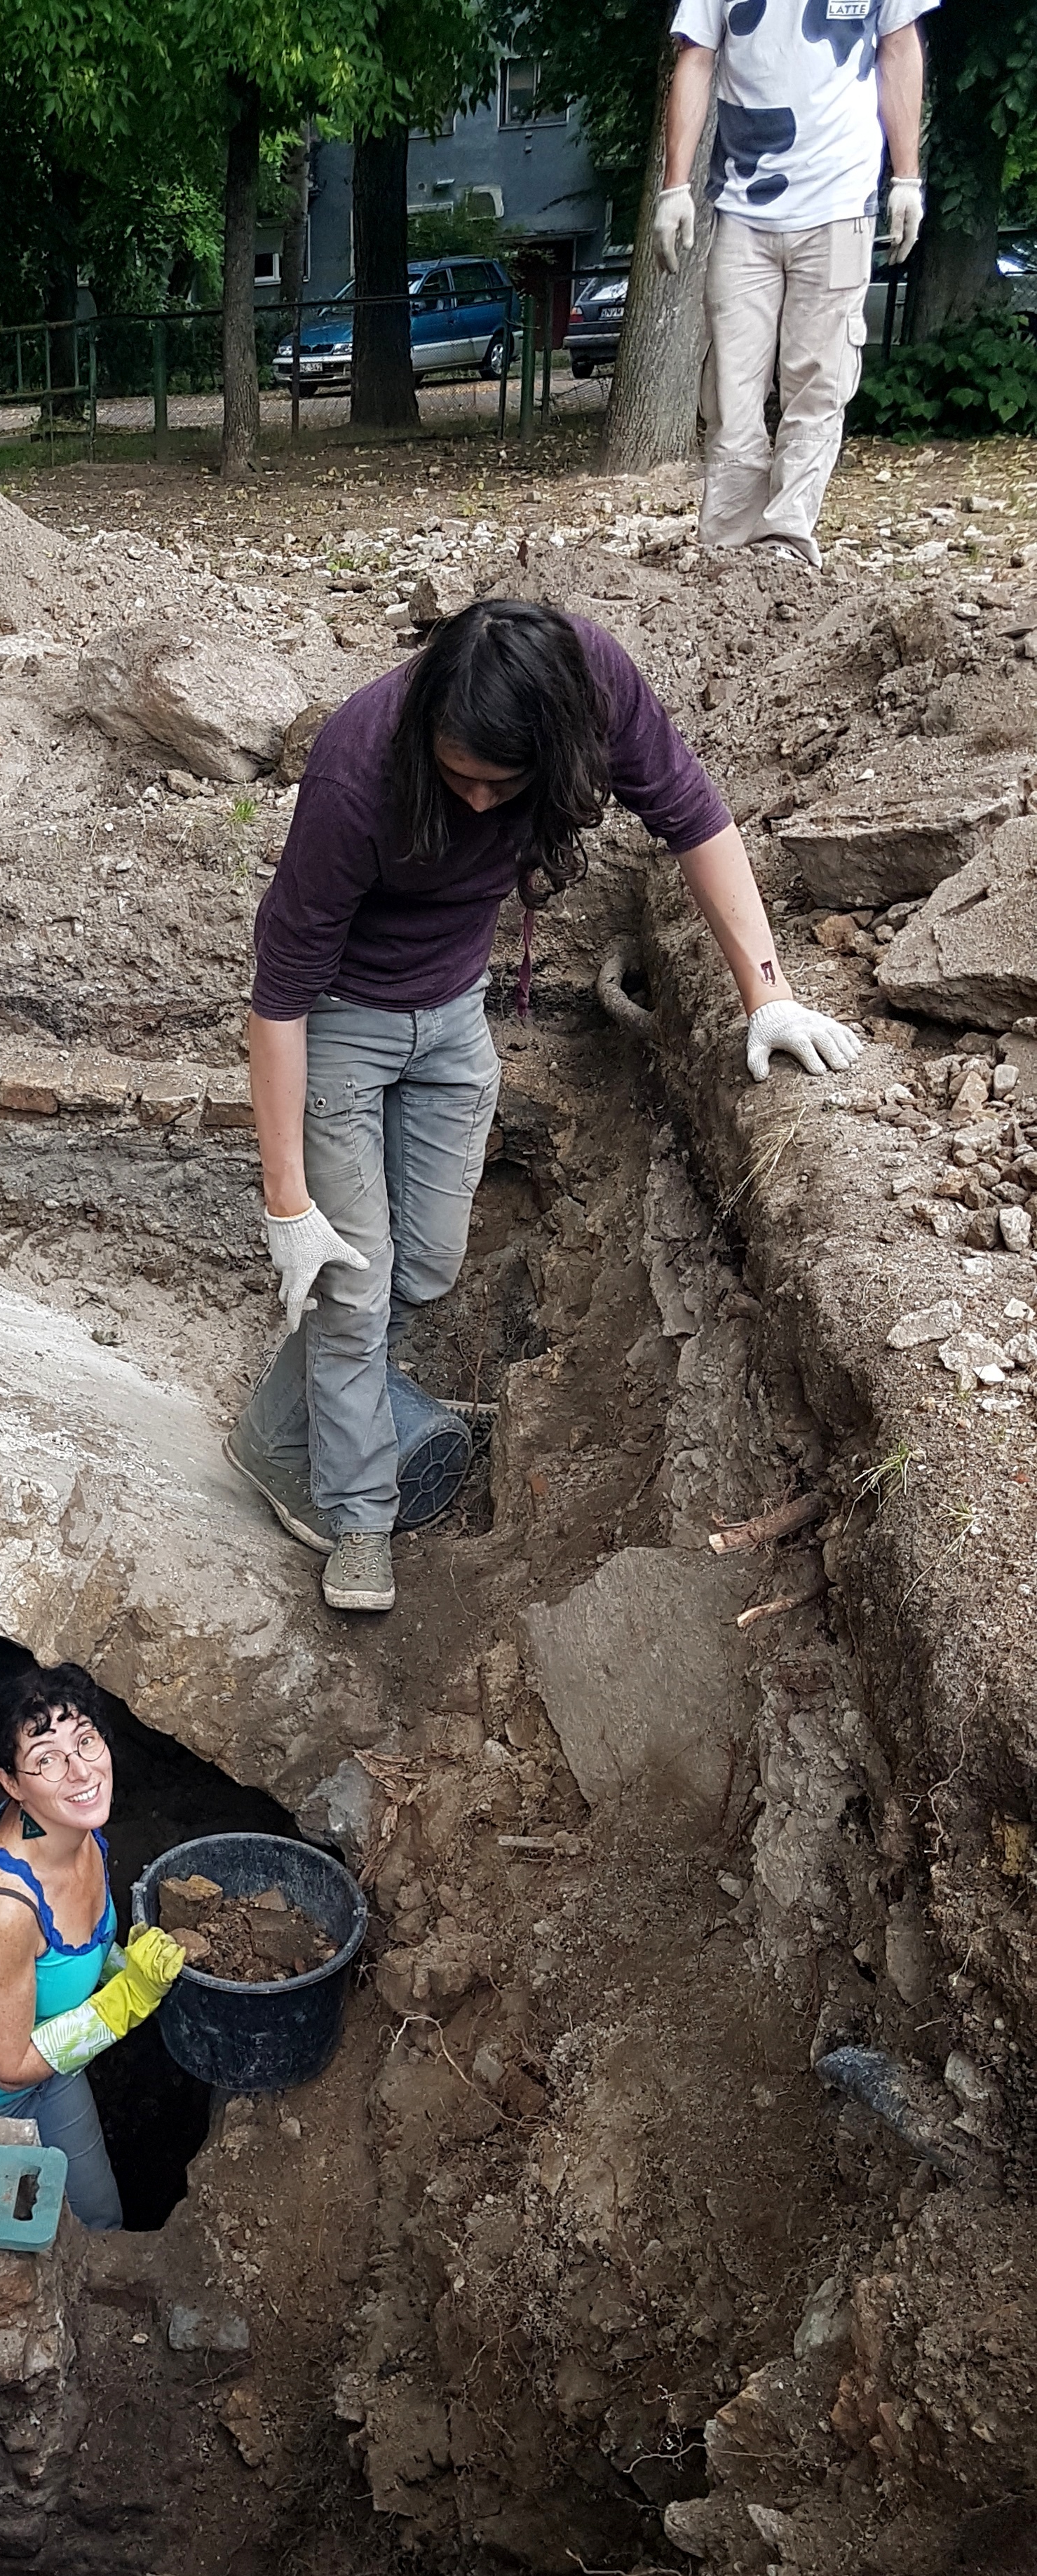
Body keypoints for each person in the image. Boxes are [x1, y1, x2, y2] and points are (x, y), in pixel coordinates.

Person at [228, 596, 860, 1620]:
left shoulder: (595, 685)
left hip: (453, 1012)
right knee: (352, 1287)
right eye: (458, 775)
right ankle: (355, 1516)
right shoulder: (358, 765)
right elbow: (281, 996)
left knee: (420, 1271)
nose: (477, 804)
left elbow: (695, 816)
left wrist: (768, 992)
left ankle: (273, 1426)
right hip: (340, 1020)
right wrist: (287, 1203)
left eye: (501, 783)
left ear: (558, 748)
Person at [0, 1663, 185, 2231]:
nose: (81, 1772)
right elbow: (7, 2066)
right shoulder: (1, 1908)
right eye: (46, 1759)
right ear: (11, 1783)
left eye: (86, 1740)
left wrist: (126, 1963)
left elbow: (67, 1959)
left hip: (53, 2067)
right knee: (12, 2243)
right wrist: (128, 1997)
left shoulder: (78, 1831)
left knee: (98, 2219)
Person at [658, 0, 932, 568]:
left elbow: (899, 46)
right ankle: (729, 551)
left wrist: (906, 176)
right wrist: (674, 186)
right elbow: (696, 57)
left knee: (820, 378)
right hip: (741, 205)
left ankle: (786, 539)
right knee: (732, 388)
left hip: (840, 202)